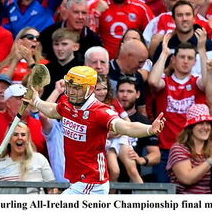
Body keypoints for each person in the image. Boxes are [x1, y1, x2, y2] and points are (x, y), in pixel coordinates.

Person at [30, 66, 165, 194]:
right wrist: (36, 101)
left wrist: (149, 129)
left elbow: (126, 126)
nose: (71, 91)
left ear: (90, 89)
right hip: (76, 179)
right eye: (69, 86)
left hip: (92, 183)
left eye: (77, 88)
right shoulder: (67, 102)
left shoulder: (100, 112)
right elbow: (53, 111)